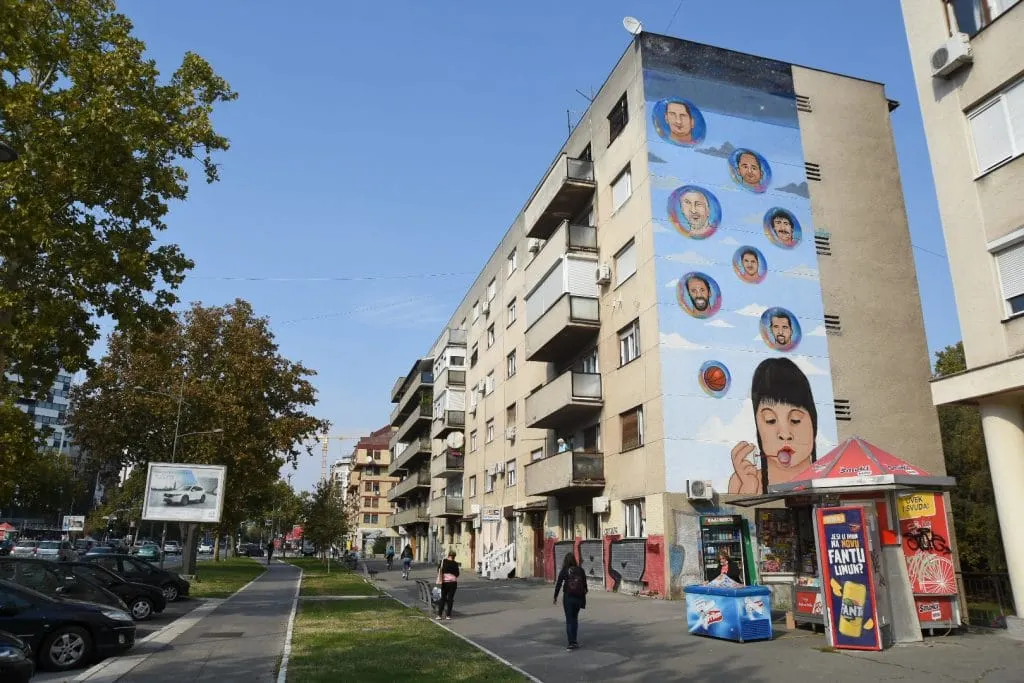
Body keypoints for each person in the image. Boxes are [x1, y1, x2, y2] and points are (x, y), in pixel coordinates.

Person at [729, 357, 818, 495]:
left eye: (795, 420)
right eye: (770, 420)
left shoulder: (828, 480)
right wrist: (749, 489)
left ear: (813, 422)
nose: (784, 434)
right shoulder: (742, 481)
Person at [553, 552, 588, 650]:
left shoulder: (564, 570)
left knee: (569, 620)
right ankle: (575, 641)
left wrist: (555, 596)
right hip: (578, 598)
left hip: (568, 597)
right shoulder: (580, 570)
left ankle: (571, 643)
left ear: (565, 561)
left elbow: (559, 584)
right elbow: (585, 585)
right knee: (575, 619)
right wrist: (583, 594)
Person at [435, 550, 460, 621]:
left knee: (443, 598)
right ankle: (448, 615)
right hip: (453, 583)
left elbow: (438, 570)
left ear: (448, 555)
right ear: (454, 556)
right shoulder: (455, 564)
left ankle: (439, 615)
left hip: (445, 583)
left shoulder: (443, 561)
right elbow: (457, 574)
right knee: (450, 599)